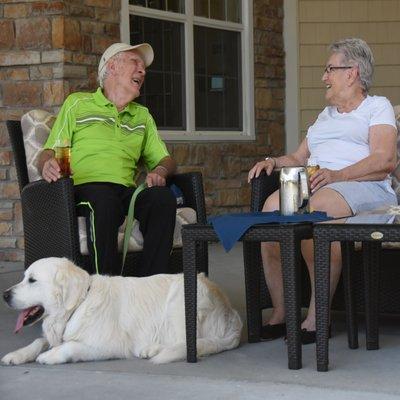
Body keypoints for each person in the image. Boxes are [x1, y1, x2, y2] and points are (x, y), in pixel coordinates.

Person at [248, 38, 398, 344]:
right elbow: (298, 159)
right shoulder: (324, 116)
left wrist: (338, 175)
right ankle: (281, 312)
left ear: (352, 73)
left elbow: (385, 160)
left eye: (329, 69)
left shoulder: (376, 107)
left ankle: (318, 317)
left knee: (317, 213)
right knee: (270, 212)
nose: (323, 77)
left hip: (364, 187)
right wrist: (272, 161)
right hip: (319, 184)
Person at [38, 42, 177, 277]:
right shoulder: (78, 103)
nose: (143, 71)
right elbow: (49, 151)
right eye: (136, 63)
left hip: (126, 191)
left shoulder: (142, 116)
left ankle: (150, 287)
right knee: (104, 202)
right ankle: (106, 288)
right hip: (86, 187)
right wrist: (46, 164)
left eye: (143, 67)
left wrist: (161, 171)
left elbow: (165, 159)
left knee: (162, 199)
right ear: (112, 66)